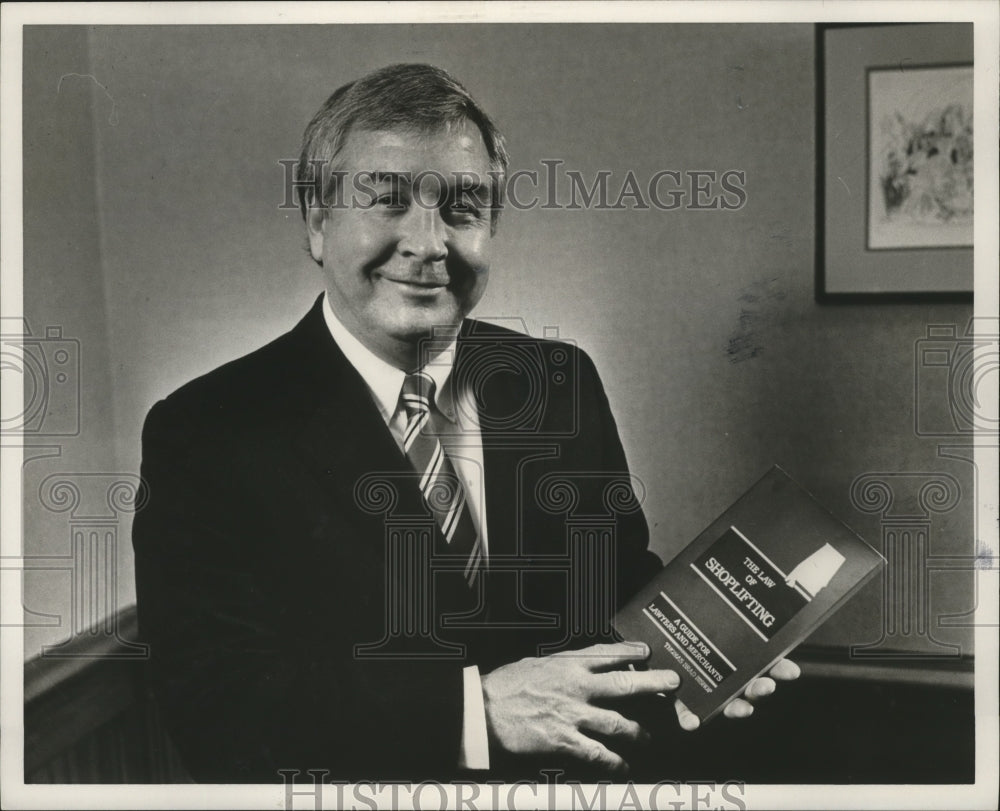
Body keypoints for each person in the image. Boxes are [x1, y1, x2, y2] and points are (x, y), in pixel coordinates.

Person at [132, 63, 798, 783]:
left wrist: (707, 650)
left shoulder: (559, 381)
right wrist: (471, 712)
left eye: (462, 206)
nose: (427, 243)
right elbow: (220, 712)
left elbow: (614, 585)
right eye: (385, 201)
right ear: (318, 224)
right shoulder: (206, 431)